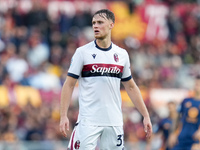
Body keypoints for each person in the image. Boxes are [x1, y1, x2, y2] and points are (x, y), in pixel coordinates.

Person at [59, 9, 152, 150]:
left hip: (113, 121)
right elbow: (69, 84)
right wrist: (63, 115)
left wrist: (145, 115)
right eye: (94, 23)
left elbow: (131, 86)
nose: (95, 26)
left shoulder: (122, 55)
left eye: (100, 22)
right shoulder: (82, 52)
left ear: (111, 25)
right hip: (88, 121)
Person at [168, 75, 200, 150]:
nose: (197, 86)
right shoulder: (185, 101)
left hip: (195, 139)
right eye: (196, 84)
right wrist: (172, 133)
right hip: (181, 138)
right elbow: (177, 117)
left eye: (199, 84)